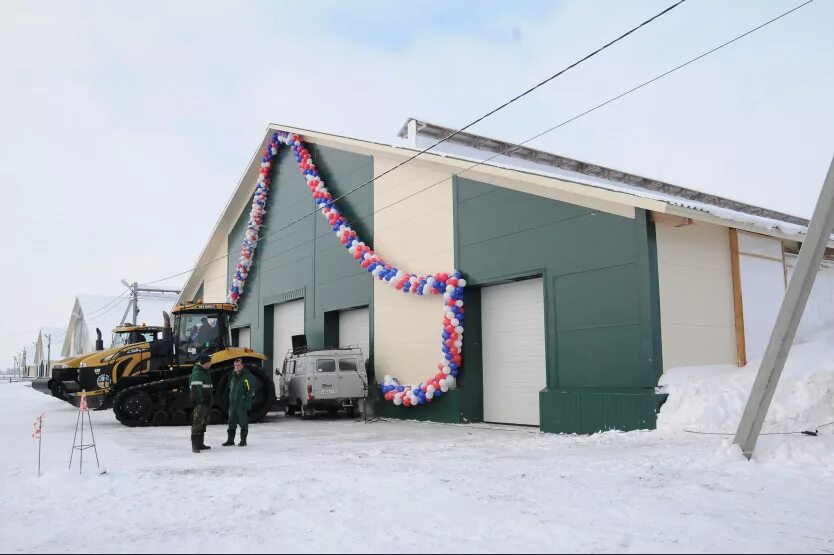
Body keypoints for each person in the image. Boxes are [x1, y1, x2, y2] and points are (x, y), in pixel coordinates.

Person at [223, 358, 256, 447]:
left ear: (242, 366)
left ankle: (243, 441)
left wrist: (245, 402)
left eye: (238, 365)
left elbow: (251, 391)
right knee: (231, 422)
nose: (236, 367)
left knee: (243, 422)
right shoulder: (233, 376)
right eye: (235, 365)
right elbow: (231, 390)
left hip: (242, 404)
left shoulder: (248, 377)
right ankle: (230, 440)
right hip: (233, 404)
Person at [189, 354, 214, 453]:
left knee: (203, 423)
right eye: (209, 363)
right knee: (197, 423)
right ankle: (195, 445)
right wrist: (201, 401)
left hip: (206, 403)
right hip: (201, 403)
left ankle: (200, 444)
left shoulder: (205, 373)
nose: (210, 364)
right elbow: (196, 389)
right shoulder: (197, 374)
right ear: (204, 363)